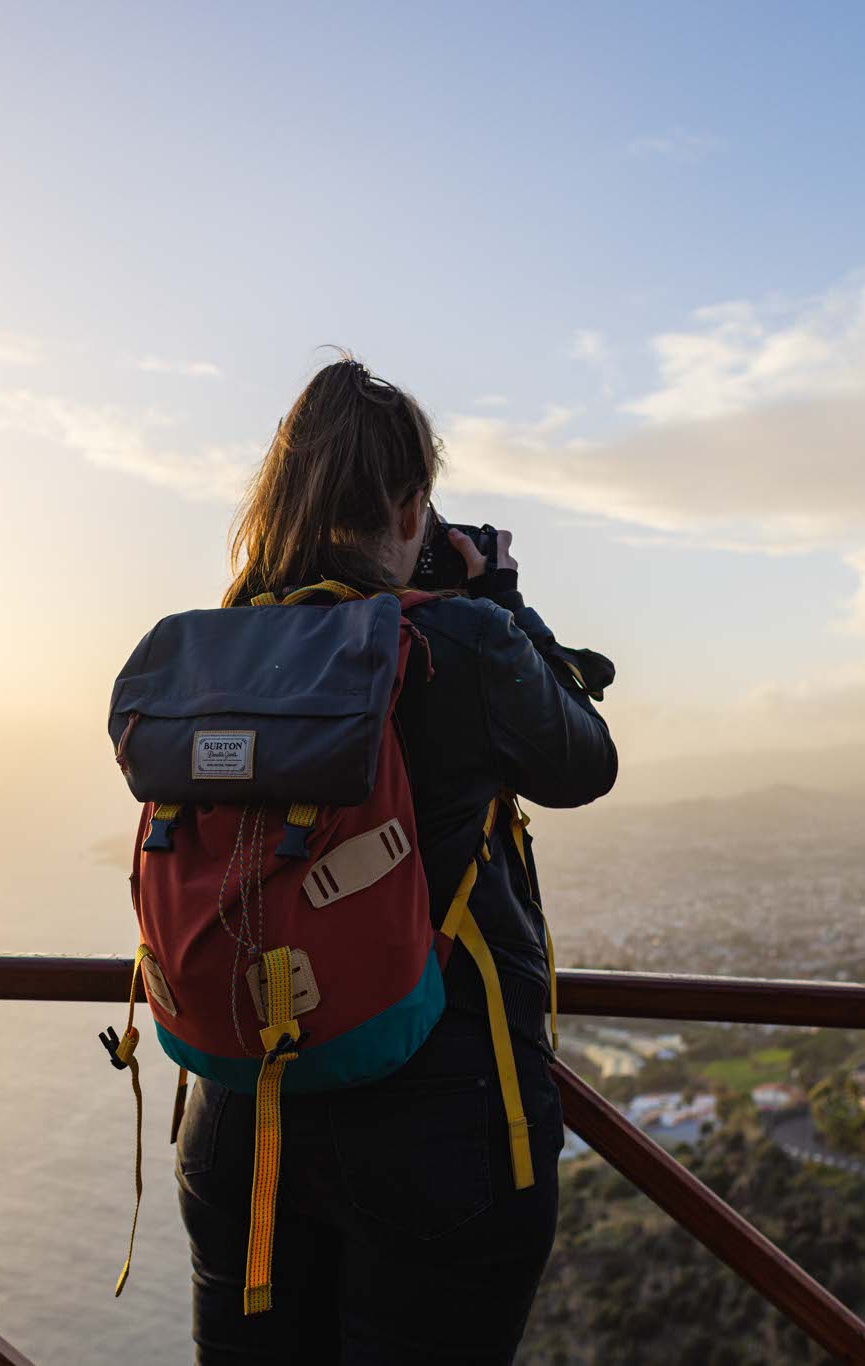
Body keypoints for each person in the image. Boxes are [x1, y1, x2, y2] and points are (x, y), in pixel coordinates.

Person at [173, 356, 618, 1363]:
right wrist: (498, 592)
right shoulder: (454, 643)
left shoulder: (214, 658)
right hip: (440, 1139)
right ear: (413, 505)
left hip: (241, 1122)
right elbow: (583, 761)